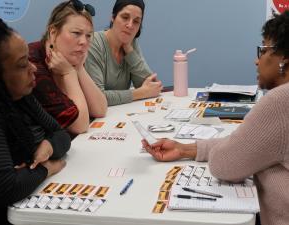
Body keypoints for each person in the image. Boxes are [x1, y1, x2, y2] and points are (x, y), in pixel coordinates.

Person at [142, 11, 289, 225]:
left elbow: (224, 164)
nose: (256, 61)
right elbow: (251, 146)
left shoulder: (280, 101)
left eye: (263, 50)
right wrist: (186, 149)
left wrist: (241, 151)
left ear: (284, 58)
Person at [0, 16, 70, 223]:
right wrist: (47, 168)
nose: (33, 69)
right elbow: (5, 186)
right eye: (23, 64)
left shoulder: (22, 96)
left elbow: (61, 134)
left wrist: (49, 147)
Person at [29, 0, 107, 136]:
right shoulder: (33, 65)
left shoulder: (67, 57)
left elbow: (100, 109)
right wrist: (69, 73)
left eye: (88, 35)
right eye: (76, 33)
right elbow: (80, 125)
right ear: (53, 33)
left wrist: (79, 69)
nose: (83, 42)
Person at [84, 0, 163, 106]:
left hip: (118, 114)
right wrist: (139, 93)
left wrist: (129, 50)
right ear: (113, 17)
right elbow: (98, 97)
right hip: (94, 118)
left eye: (136, 21)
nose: (130, 25)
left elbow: (152, 86)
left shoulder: (131, 43)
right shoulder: (94, 43)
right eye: (125, 17)